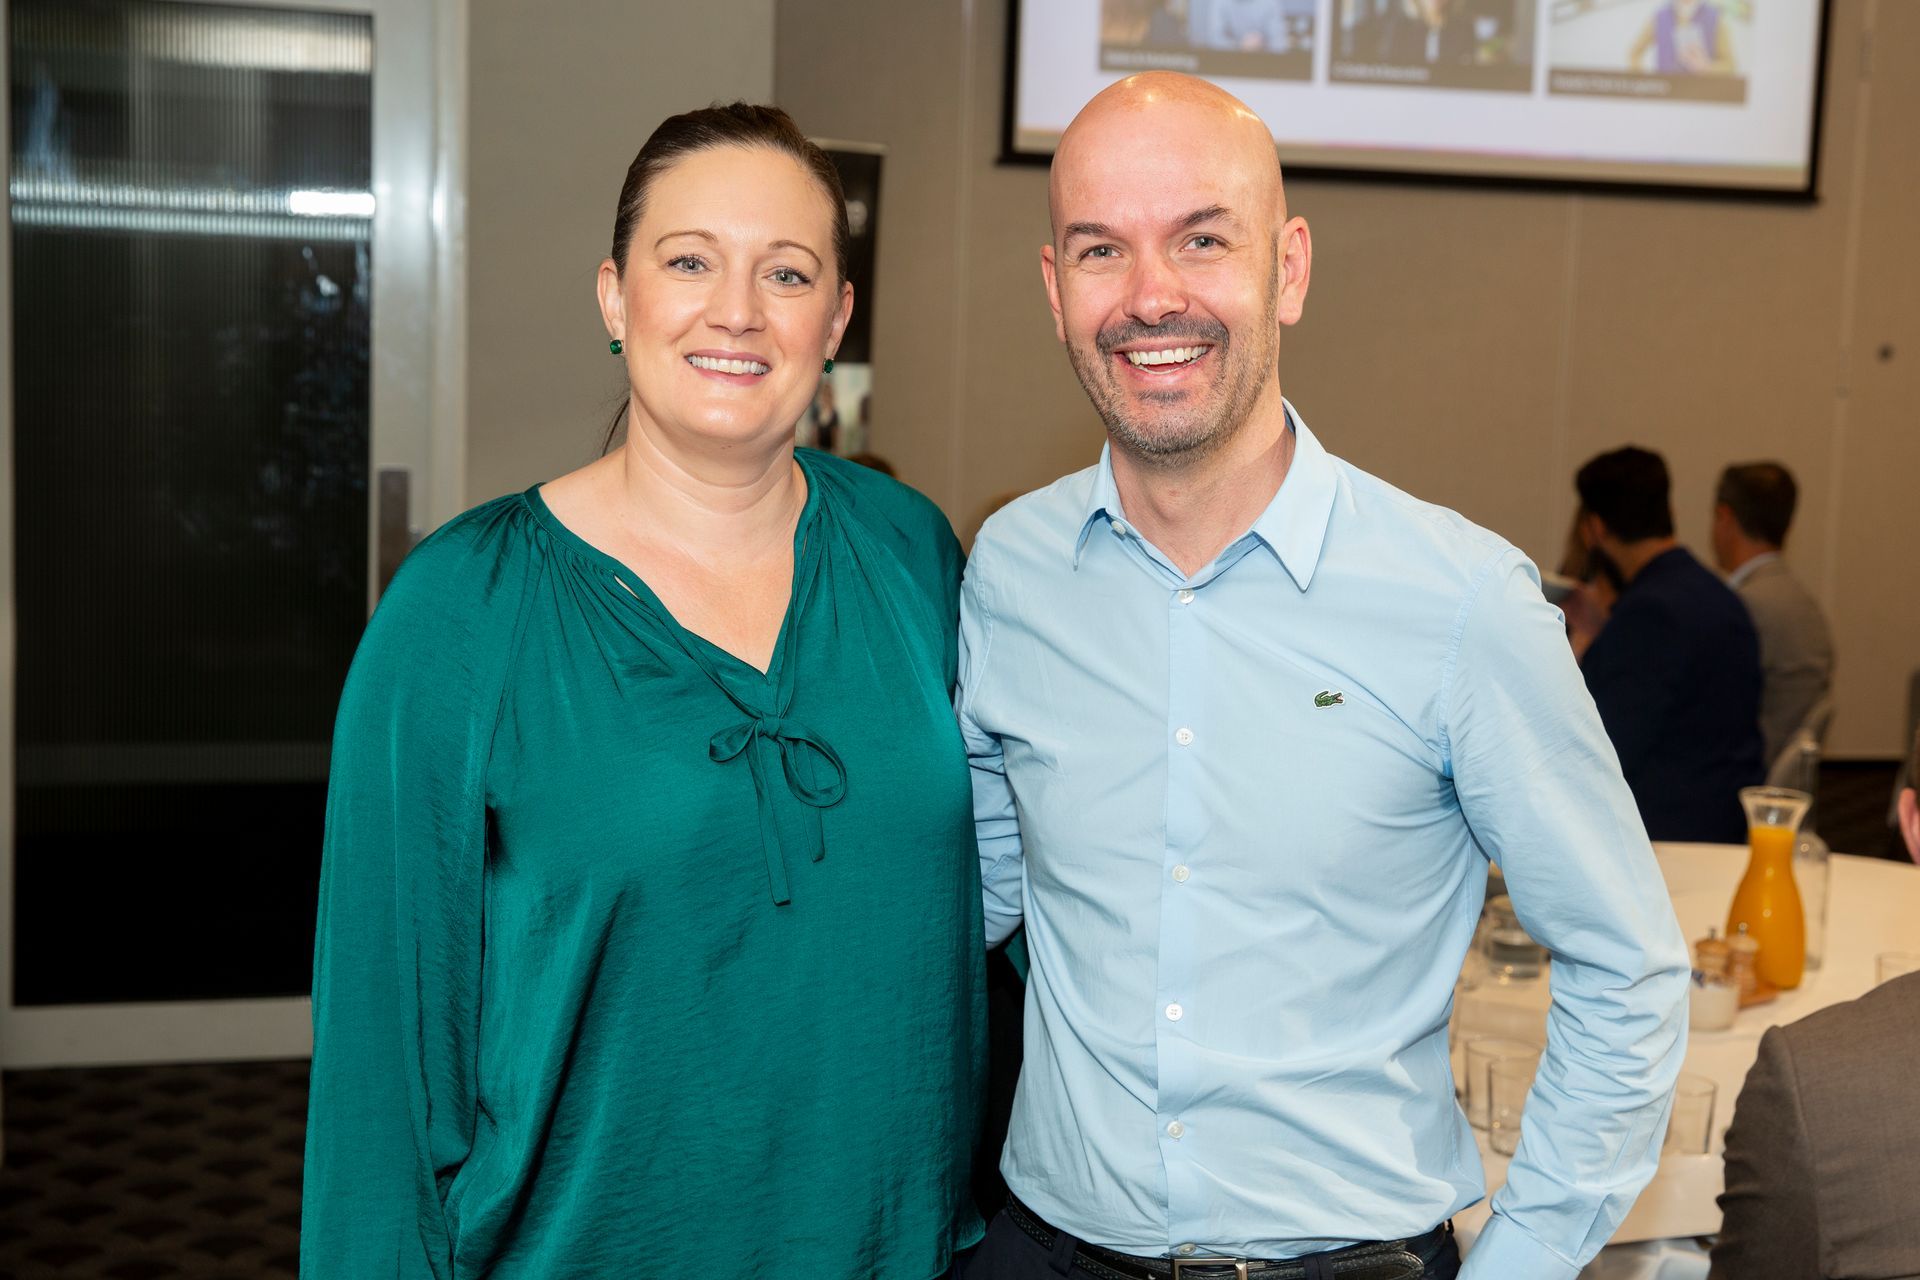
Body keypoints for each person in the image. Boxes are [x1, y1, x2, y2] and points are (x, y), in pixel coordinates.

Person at [956, 72, 1688, 1280]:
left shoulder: (1461, 601)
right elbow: (972, 894)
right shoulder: (1011, 573)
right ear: (1054, 288)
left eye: (1202, 237)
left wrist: (1523, 1261)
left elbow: (1628, 963)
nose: (1151, 296)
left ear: (1288, 268)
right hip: (1045, 1251)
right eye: (1101, 248)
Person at [302, 103, 986, 1279]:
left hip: (895, 1249)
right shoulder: (462, 609)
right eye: (688, 261)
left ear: (837, 318)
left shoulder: (912, 552)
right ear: (616, 296)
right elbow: (381, 1068)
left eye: (787, 271)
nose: (737, 309)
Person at [1573, 447, 1763, 843]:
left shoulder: (1649, 614)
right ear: (1670, 511)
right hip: (1724, 823)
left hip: (1665, 837)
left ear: (1595, 528)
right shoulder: (1720, 597)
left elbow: (1598, 746)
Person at [1710, 462, 1834, 769]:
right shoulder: (1805, 604)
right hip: (1781, 769)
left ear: (1724, 517)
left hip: (1744, 773)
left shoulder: (1740, 608)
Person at [1628, 0, 1736, 75]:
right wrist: (1648, 85)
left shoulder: (1715, 18)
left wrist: (1707, 68)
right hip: (1667, 96)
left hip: (1703, 97)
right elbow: (1634, 53)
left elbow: (1730, 66)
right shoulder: (1660, 17)